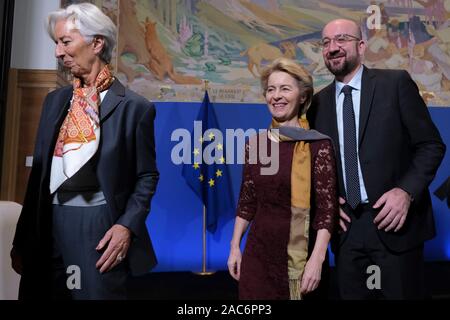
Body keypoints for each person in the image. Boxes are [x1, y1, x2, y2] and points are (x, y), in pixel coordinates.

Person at [10, 3, 159, 300]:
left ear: (97, 43)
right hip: (46, 223)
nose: (58, 52)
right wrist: (22, 240)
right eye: (56, 43)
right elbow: (39, 175)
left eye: (66, 42)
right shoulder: (54, 101)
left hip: (97, 227)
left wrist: (126, 226)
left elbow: (147, 176)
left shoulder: (135, 108)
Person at [308, 18, 446, 299]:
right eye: (326, 42)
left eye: (342, 39)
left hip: (395, 225)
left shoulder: (395, 84)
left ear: (361, 46)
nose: (333, 48)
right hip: (346, 232)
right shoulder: (317, 104)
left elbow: (431, 145)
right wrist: (328, 201)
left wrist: (406, 191)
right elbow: (314, 167)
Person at [227, 58, 338, 300]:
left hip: (300, 260)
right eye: (271, 89)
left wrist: (317, 259)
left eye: (285, 88)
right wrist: (235, 247)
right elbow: (247, 202)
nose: (276, 96)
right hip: (258, 258)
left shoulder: (317, 145)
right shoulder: (256, 144)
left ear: (302, 96)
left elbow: (326, 212)